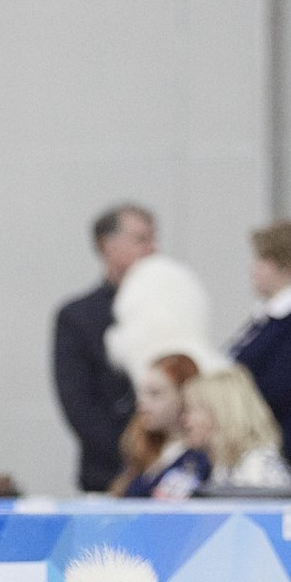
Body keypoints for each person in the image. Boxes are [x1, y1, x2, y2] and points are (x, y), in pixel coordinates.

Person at [53, 203, 156, 492]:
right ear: (106, 245)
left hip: (165, 472)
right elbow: (79, 405)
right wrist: (132, 455)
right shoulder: (78, 316)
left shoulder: (164, 310)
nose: (151, 249)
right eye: (141, 240)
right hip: (107, 472)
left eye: (152, 239)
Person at [229, 221, 291, 481]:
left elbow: (278, 391)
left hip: (286, 459)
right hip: (251, 455)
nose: (253, 269)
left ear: (286, 266)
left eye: (262, 260)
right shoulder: (263, 321)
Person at [182, 366, 291, 493]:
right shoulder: (224, 464)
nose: (184, 420)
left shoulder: (255, 468)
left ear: (221, 415)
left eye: (191, 410)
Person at [111, 354, 209, 499]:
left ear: (184, 397)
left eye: (155, 394)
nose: (142, 404)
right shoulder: (141, 448)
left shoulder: (197, 459)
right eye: (141, 394)